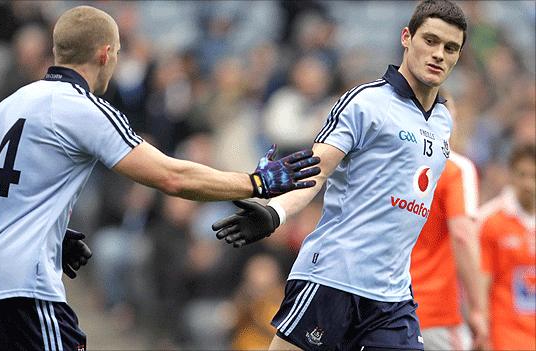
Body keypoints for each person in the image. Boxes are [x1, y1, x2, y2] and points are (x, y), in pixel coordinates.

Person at [0, 6, 321, 351]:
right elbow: (172, 177)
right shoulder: (82, 108)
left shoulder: (8, 108)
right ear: (106, 53)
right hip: (24, 292)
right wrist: (257, 183)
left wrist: (51, 234)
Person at [213, 0, 467, 349]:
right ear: (407, 37)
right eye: (431, 40)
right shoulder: (366, 102)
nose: (439, 53)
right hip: (333, 277)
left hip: (391, 295)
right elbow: (315, 172)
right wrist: (276, 212)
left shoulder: (443, 121)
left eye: (450, 48)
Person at [409, 94, 488, 350]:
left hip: (385, 308)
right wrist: (478, 309)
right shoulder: (455, 168)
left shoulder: (396, 164)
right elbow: (463, 236)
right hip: (436, 314)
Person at [478, 143, 535, 351]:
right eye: (522, 175)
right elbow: (481, 282)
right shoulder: (491, 220)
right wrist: (482, 331)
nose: (528, 183)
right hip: (505, 337)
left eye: (534, 176)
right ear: (511, 175)